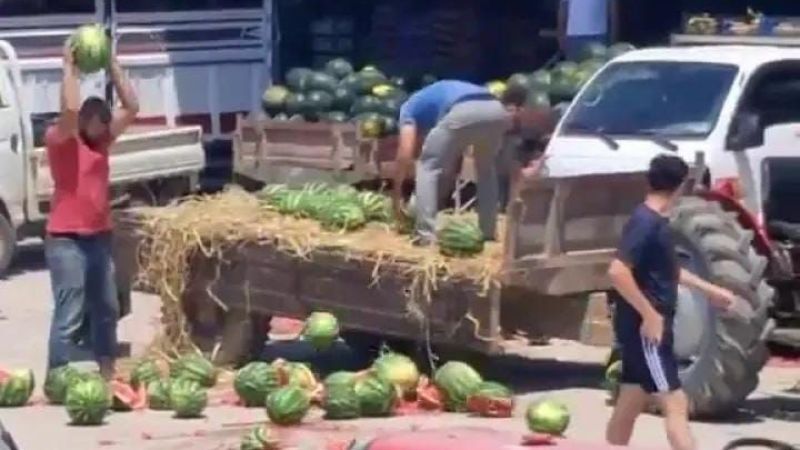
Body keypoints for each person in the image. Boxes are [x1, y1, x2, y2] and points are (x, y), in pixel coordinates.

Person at [605, 155, 736, 450]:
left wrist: (710, 291)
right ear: (681, 186)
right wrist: (649, 315)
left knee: (631, 397)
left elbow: (669, 271)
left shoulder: (656, 223)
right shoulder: (645, 223)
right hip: (648, 330)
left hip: (645, 326)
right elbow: (618, 271)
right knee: (675, 401)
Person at [45, 41, 139, 379]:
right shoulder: (60, 139)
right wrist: (69, 68)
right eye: (96, 122)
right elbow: (70, 110)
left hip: (99, 237)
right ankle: (57, 373)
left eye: (104, 124)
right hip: (66, 239)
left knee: (107, 308)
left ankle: (107, 367)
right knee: (70, 309)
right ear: (84, 120)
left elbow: (132, 106)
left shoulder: (101, 144)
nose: (101, 129)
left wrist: (111, 63)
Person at [391, 81, 553, 245]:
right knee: (486, 170)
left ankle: (425, 235)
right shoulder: (434, 97)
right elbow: (456, 150)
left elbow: (405, 151)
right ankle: (488, 232)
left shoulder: (407, 108)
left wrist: (396, 194)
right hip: (496, 109)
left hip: (464, 110)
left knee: (428, 166)